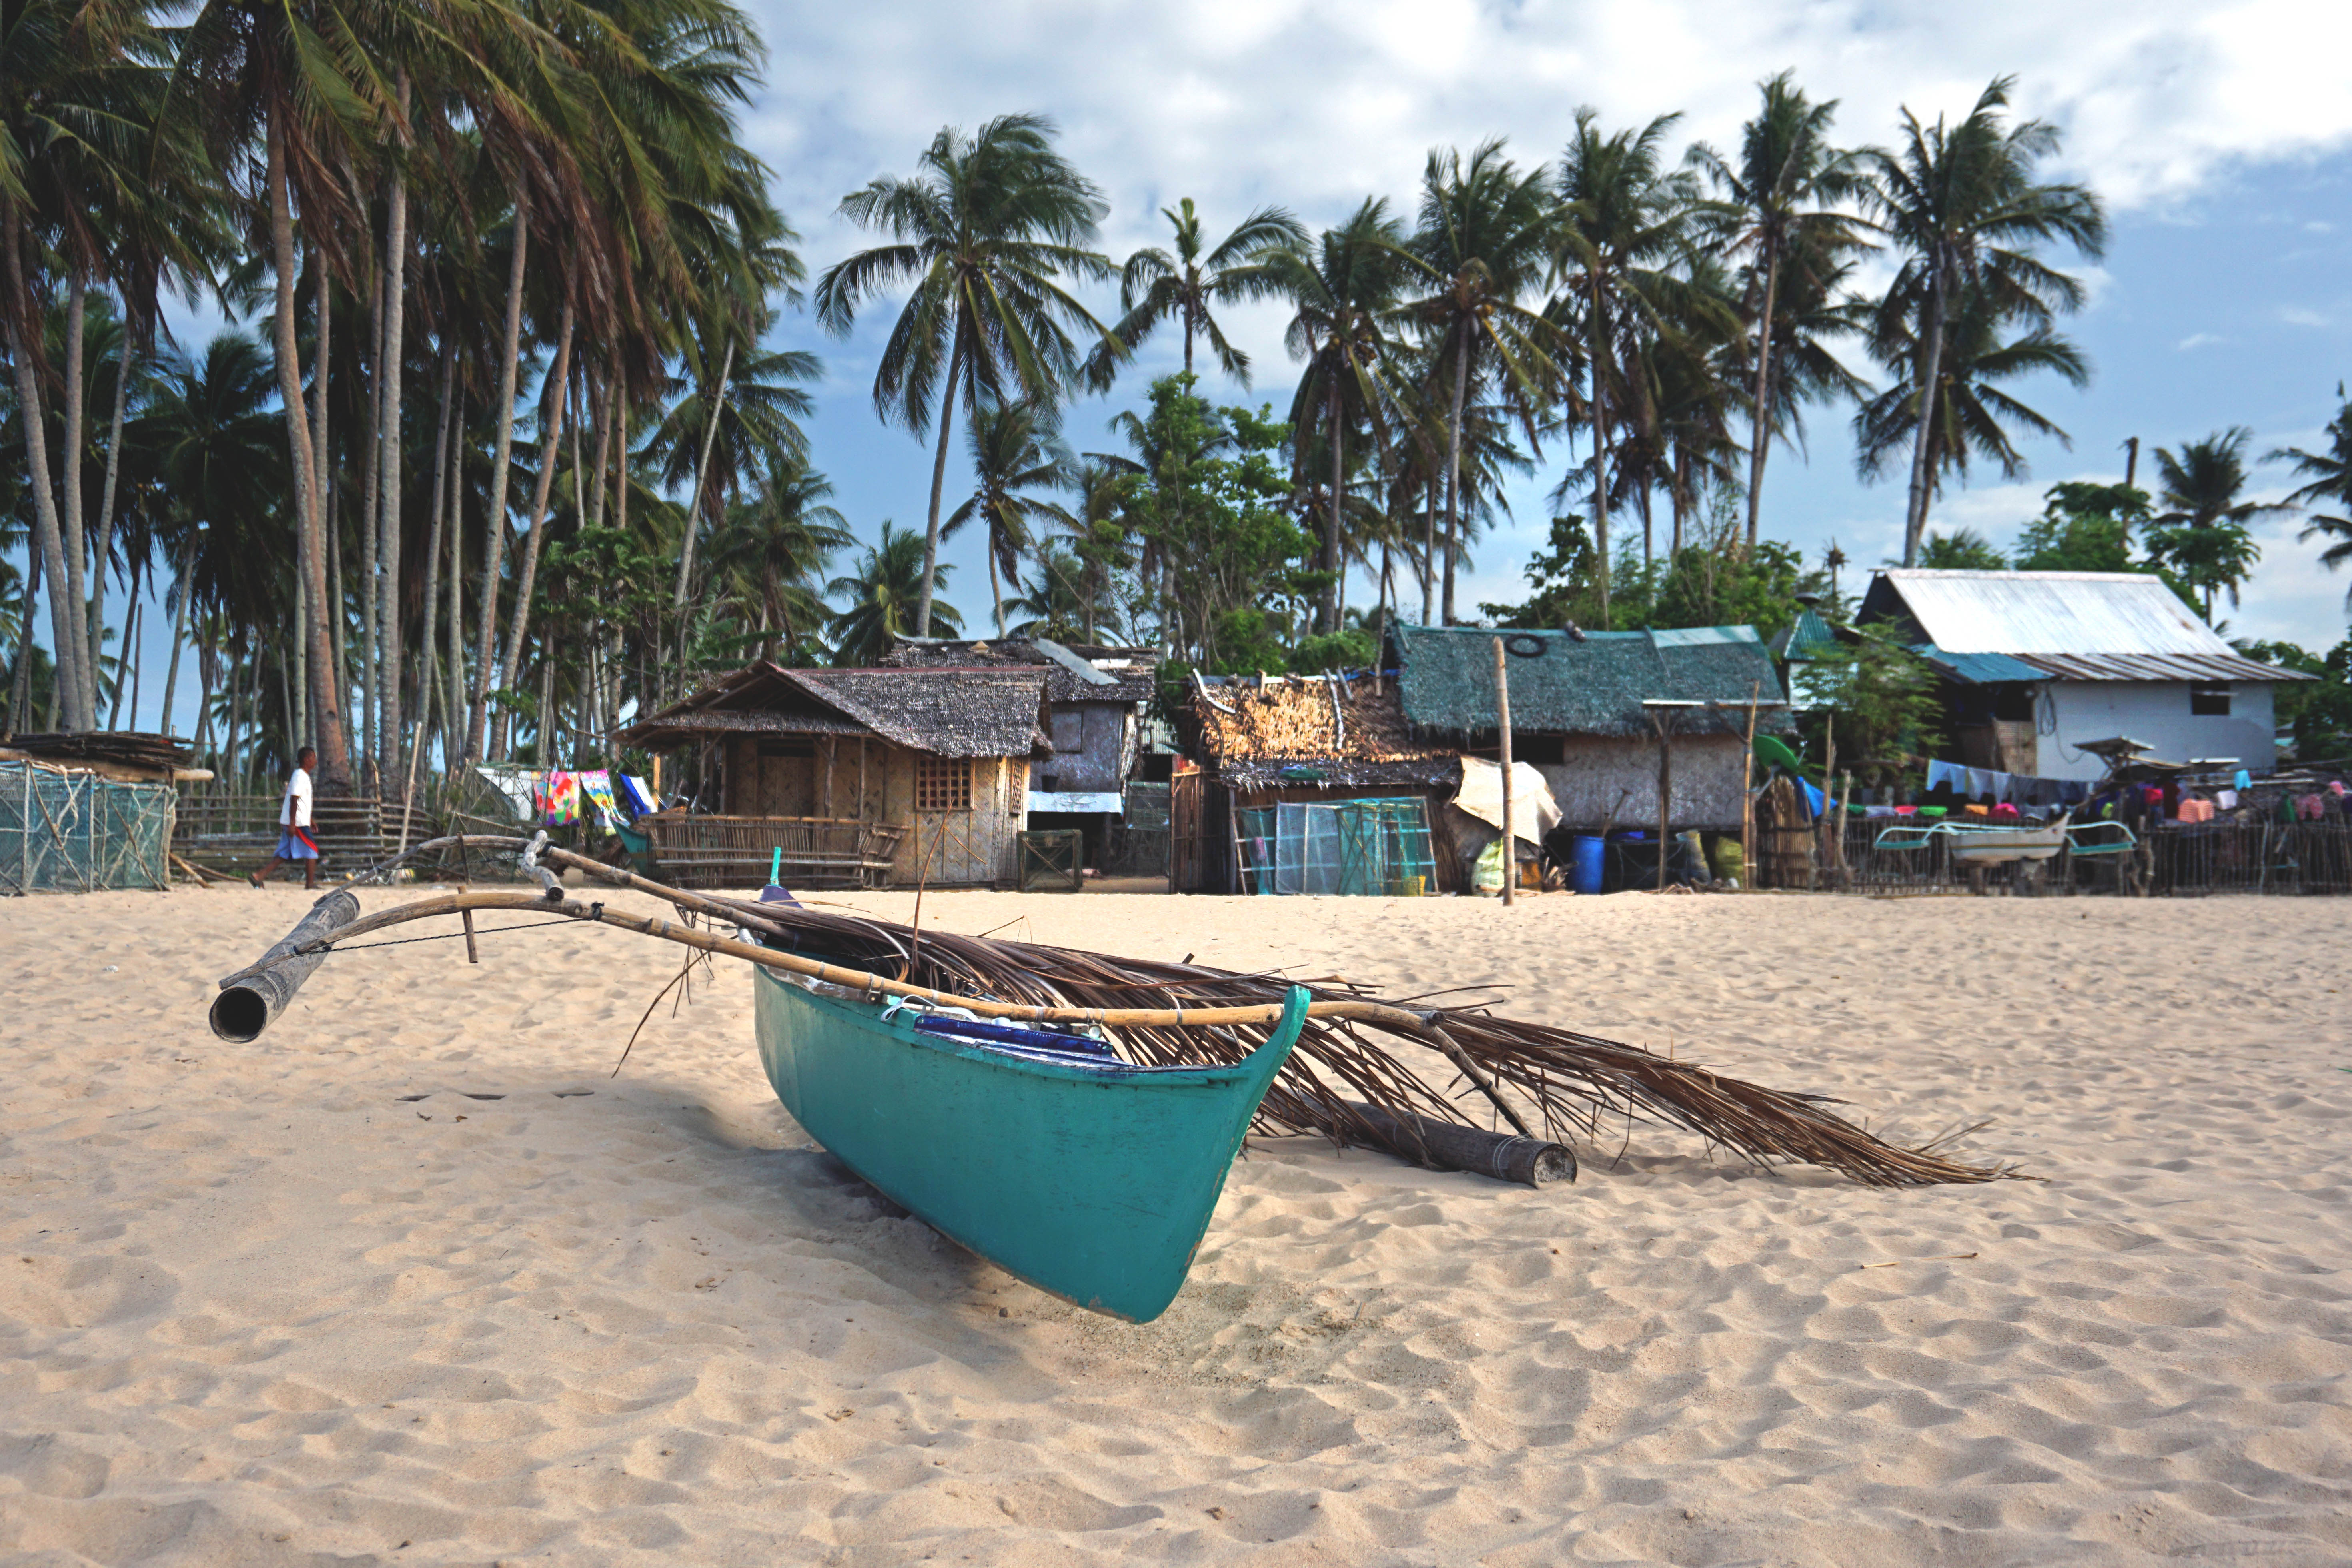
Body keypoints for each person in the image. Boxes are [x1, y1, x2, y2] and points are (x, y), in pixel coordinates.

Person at [252, 747, 321, 889]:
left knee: (284, 853)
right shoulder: (299, 776)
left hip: (297, 821)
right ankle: (310, 884)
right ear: (306, 760)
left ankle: (258, 876)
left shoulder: (303, 776)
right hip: (297, 823)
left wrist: (310, 820)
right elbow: (294, 800)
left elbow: (303, 802)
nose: (315, 761)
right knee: (312, 850)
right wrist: (293, 824)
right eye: (313, 757)